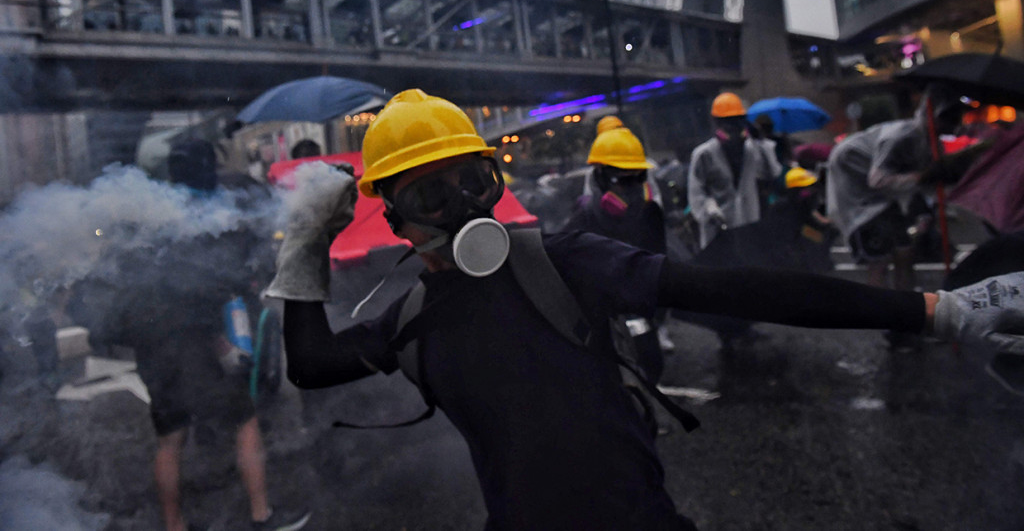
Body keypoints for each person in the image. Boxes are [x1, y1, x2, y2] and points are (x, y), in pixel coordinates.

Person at [271, 88, 1024, 531]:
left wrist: (933, 309)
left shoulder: (564, 260)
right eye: (432, 195)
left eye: (474, 180)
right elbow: (310, 364)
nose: (467, 208)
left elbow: (741, 288)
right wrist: (303, 244)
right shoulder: (411, 319)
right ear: (397, 221)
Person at [111, 139, 310, 531]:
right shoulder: (203, 215)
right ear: (206, 170)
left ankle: (174, 525)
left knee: (170, 438)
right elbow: (203, 286)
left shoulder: (145, 213)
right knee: (245, 422)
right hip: (197, 343)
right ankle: (261, 515)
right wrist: (221, 339)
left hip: (153, 347)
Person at [825, 85, 978, 291]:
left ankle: (905, 305)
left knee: (905, 253)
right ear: (934, 116)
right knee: (878, 260)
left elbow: (926, 189)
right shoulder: (901, 137)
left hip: (886, 200)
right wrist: (922, 177)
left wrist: (926, 210)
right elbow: (878, 180)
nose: (954, 124)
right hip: (859, 193)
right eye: (949, 118)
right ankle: (881, 311)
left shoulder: (929, 145)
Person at [563, 126, 669, 381]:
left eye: (637, 178)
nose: (631, 189)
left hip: (640, 317)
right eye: (621, 180)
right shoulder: (581, 223)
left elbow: (660, 267)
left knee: (652, 369)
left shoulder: (650, 214)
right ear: (599, 179)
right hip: (601, 326)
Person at [688, 92, 783, 250]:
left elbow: (773, 172)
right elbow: (696, 192)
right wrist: (710, 209)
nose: (732, 127)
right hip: (717, 232)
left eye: (736, 121)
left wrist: (761, 141)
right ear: (716, 123)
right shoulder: (704, 154)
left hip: (748, 227)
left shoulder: (753, 149)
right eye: (727, 122)